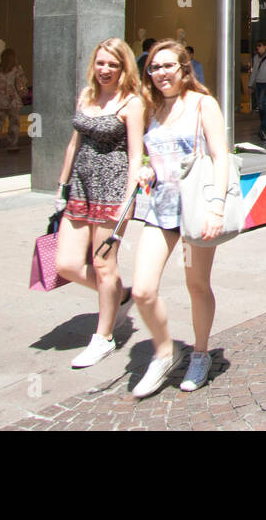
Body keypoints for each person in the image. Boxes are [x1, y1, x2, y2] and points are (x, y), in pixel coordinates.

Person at [131, 40, 231, 397]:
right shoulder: (150, 108)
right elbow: (150, 154)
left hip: (195, 209)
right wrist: (146, 170)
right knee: (142, 289)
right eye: (154, 68)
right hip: (160, 209)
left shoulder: (203, 104)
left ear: (184, 69)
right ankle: (164, 351)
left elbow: (221, 157)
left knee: (196, 285)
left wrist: (217, 207)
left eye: (167, 66)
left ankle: (201, 353)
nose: (160, 74)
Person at [55, 38, 145, 369]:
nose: (104, 69)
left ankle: (103, 336)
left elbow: (136, 155)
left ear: (123, 68)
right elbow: (73, 143)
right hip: (79, 188)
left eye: (112, 64)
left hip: (112, 189)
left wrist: (128, 200)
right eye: (100, 63)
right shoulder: (87, 96)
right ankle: (118, 294)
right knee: (66, 264)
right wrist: (61, 185)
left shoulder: (131, 103)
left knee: (104, 264)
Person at [0, 48, 28, 155]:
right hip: (13, 100)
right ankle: (12, 145)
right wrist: (24, 94)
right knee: (14, 123)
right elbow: (20, 85)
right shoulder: (17, 69)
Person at [249, 39, 266, 141]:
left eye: (260, 45)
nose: (258, 48)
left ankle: (262, 128)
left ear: (265, 46)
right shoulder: (256, 58)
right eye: (257, 46)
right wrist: (250, 85)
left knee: (264, 106)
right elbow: (254, 72)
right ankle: (263, 128)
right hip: (258, 83)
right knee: (261, 107)